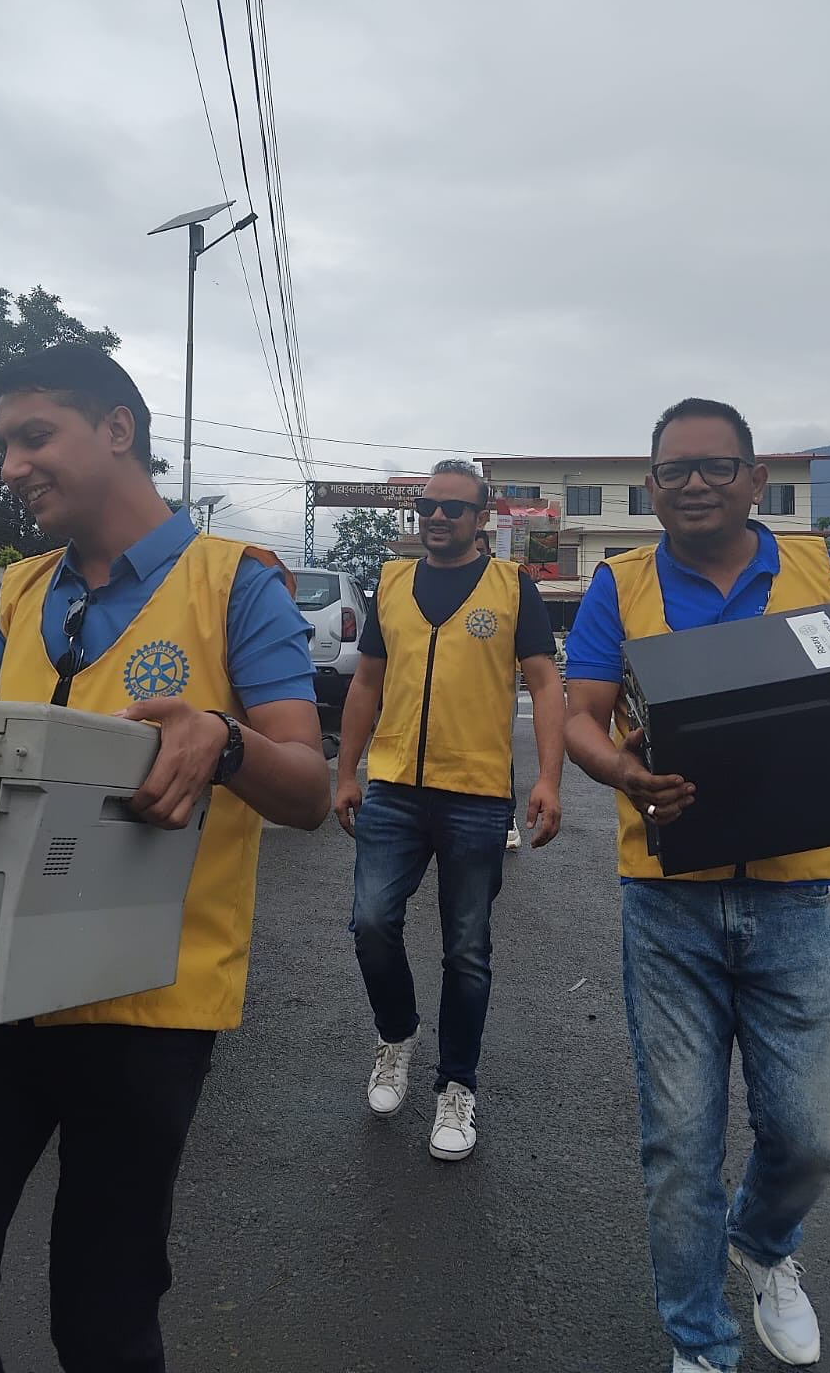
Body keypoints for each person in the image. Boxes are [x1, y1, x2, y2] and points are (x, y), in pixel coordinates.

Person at [0, 344, 330, 1373]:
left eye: (34, 436)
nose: (9, 464)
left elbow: (306, 785)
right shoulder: (17, 592)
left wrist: (223, 735)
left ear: (116, 430)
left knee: (104, 1320)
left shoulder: (235, 586)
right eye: (4, 444)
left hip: (148, 1007)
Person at [563, 398, 830, 1373]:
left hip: (794, 893)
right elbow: (579, 717)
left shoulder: (814, 569)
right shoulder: (619, 584)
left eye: (715, 466)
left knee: (811, 1132)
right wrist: (622, 774)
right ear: (652, 486)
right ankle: (699, 1342)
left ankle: (764, 1245)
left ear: (756, 479)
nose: (691, 484)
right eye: (672, 471)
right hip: (666, 897)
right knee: (681, 1140)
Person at [334, 459, 564, 1160]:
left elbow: (546, 684)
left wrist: (549, 779)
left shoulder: (512, 588)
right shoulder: (393, 582)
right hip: (395, 785)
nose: (437, 517)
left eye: (454, 509)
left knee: (467, 951)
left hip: (476, 794)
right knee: (371, 922)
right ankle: (397, 1036)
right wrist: (345, 770)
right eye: (428, 506)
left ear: (482, 518)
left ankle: (456, 1087)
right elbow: (367, 681)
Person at [476, 525, 523, 851]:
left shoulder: (507, 586)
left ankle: (506, 820)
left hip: (498, 687)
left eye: (481, 551)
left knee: (498, 749)